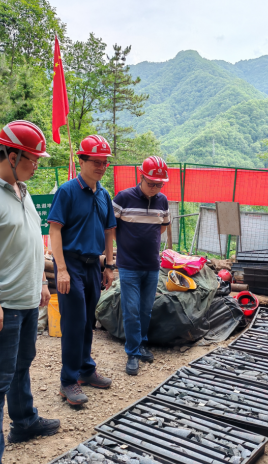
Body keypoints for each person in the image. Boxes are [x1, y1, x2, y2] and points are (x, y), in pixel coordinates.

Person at [0, 120, 60, 464]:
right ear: (12, 155)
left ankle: (24, 422)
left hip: (27, 300)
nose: (37, 165)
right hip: (2, 303)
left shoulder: (23, 191)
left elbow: (32, 241)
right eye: (33, 159)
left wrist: (41, 283)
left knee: (21, 365)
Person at [47, 134, 117, 406]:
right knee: (74, 323)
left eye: (105, 162)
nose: (101, 167)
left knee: (88, 321)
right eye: (96, 161)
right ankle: (68, 381)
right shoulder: (67, 191)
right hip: (71, 264)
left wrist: (108, 265)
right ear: (82, 161)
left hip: (93, 265)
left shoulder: (104, 194)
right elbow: (55, 230)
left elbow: (109, 232)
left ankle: (86, 370)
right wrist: (61, 269)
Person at [112, 156, 171, 375]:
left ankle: (142, 343)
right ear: (141, 176)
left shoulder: (162, 201)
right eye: (151, 183)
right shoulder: (123, 198)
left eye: (159, 184)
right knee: (131, 310)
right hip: (128, 265)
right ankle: (133, 353)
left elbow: (162, 227)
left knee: (146, 309)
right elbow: (111, 227)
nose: (155, 188)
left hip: (152, 265)